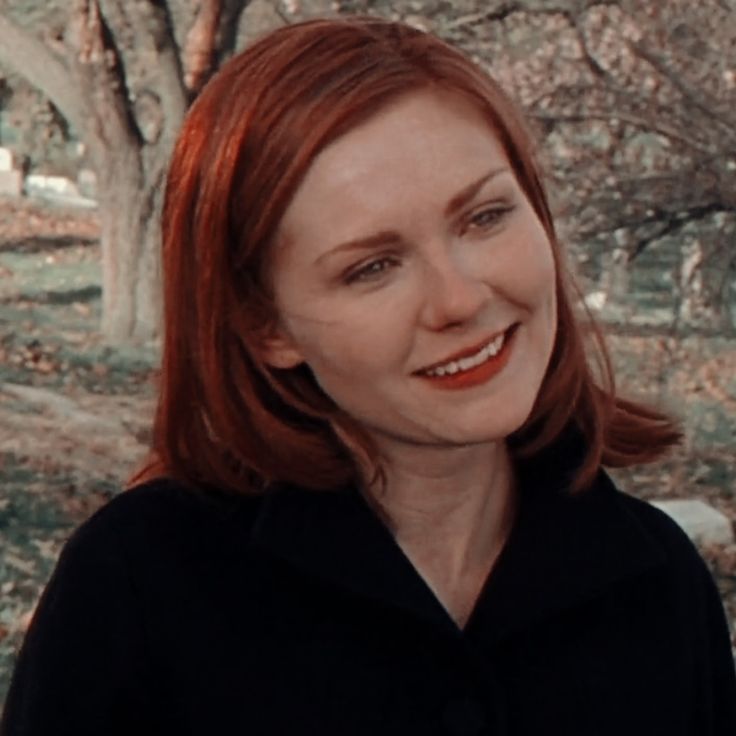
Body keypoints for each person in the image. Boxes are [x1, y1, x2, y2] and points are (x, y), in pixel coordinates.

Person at [1, 16, 734, 736]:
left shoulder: (659, 586)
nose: (461, 299)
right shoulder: (139, 589)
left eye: (484, 217)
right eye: (372, 267)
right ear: (267, 326)